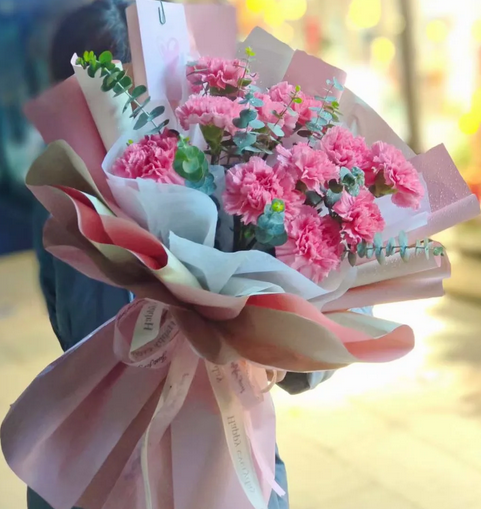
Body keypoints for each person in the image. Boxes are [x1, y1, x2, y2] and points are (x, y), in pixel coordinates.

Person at [31, 1, 335, 508]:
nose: (117, 124)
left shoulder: (233, 173)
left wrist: (269, 347)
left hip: (224, 458)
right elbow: (74, 332)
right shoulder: (66, 214)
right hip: (99, 465)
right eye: (90, 102)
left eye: (127, 96)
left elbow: (317, 344)